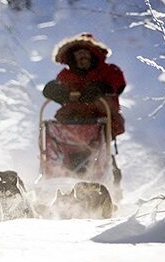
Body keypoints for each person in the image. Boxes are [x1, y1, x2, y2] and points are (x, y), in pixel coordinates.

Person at [42, 33, 125, 185]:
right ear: (72, 57)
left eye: (86, 53)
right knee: (65, 146)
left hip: (101, 120)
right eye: (78, 53)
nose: (83, 57)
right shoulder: (67, 75)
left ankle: (108, 183)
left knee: (99, 151)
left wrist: (102, 87)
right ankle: (59, 181)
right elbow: (59, 86)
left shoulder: (107, 71)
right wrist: (56, 90)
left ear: (94, 54)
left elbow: (118, 81)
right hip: (72, 123)